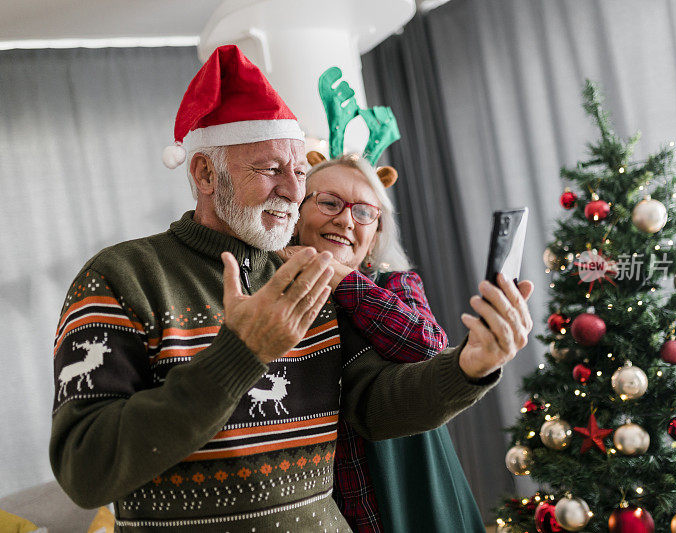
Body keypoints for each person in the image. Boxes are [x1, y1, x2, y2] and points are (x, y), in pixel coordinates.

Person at [49, 45, 534, 532]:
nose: (291, 190)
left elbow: (372, 406)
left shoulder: (309, 273)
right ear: (204, 173)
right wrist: (240, 354)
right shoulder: (123, 276)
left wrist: (470, 366)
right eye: (271, 170)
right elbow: (84, 471)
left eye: (300, 172)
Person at [282, 153, 485, 532]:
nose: (345, 219)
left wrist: (339, 276)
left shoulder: (396, 284)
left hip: (411, 487)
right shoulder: (270, 290)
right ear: (296, 215)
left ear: (374, 238)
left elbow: (429, 348)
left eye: (364, 213)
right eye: (328, 202)